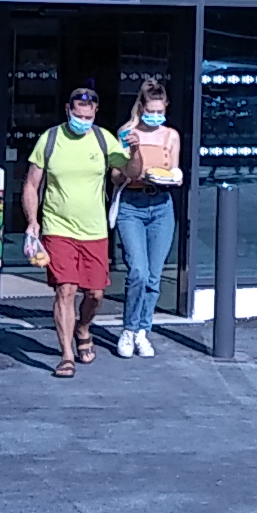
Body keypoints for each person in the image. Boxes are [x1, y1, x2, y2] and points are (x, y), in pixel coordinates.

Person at [19, 84, 128, 378]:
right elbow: (31, 184)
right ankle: (66, 355)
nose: (82, 121)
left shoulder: (104, 140)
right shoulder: (50, 139)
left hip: (94, 230)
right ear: (68, 110)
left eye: (88, 117)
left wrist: (136, 154)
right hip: (58, 227)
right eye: (78, 115)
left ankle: (83, 327)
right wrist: (32, 221)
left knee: (95, 294)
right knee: (65, 289)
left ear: (96, 113)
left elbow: (124, 175)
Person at [109, 77, 184, 355]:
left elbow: (173, 170)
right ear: (141, 108)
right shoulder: (127, 132)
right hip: (132, 203)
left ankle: (143, 330)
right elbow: (115, 174)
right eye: (150, 111)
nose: (155, 116)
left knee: (154, 275)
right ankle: (128, 329)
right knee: (137, 271)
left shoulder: (171, 136)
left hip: (161, 204)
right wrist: (132, 168)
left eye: (159, 111)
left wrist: (174, 177)